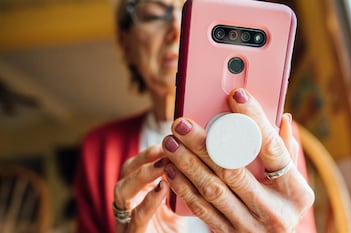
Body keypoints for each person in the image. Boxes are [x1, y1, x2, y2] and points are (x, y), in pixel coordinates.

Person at [74, 0, 317, 232]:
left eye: (194, 9)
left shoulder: (272, 140)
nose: (178, 29)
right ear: (126, 46)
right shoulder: (97, 150)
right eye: (153, 14)